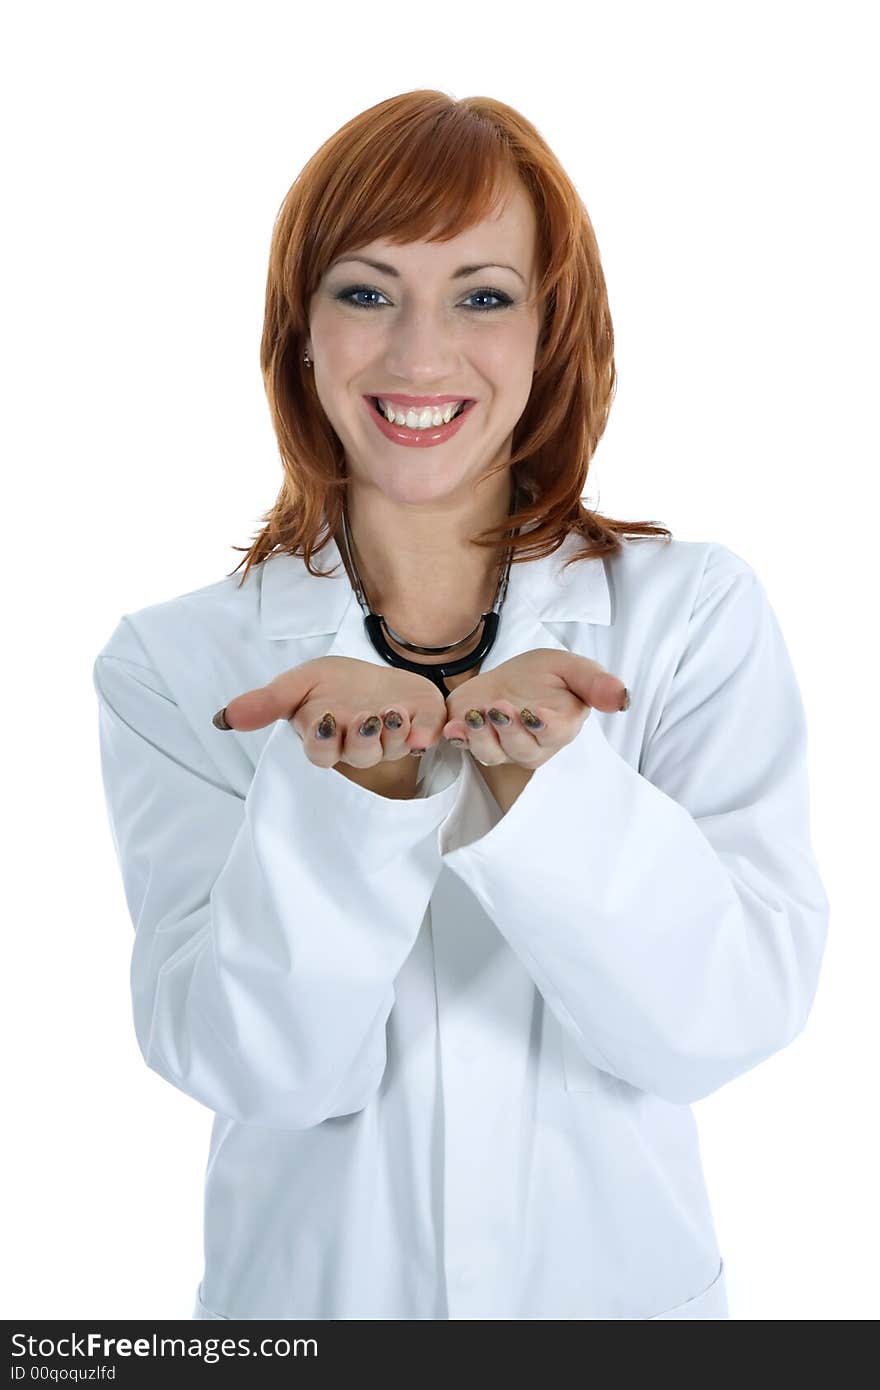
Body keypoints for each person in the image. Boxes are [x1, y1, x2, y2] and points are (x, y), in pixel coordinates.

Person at [91, 89, 830, 1321]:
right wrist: (348, 797)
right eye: (365, 291)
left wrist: (554, 786)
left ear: (553, 328)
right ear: (299, 332)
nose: (420, 356)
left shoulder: (690, 615)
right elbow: (251, 1067)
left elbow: (719, 1025)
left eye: (483, 295)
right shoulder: (178, 664)